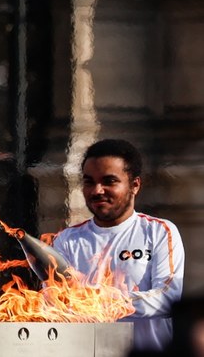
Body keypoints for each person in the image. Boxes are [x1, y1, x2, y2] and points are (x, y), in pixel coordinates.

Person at [52, 139, 185, 352]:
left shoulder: (159, 232)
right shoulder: (66, 240)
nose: (97, 190)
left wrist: (106, 301)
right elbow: (55, 304)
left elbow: (168, 297)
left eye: (109, 181)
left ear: (135, 185)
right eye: (89, 182)